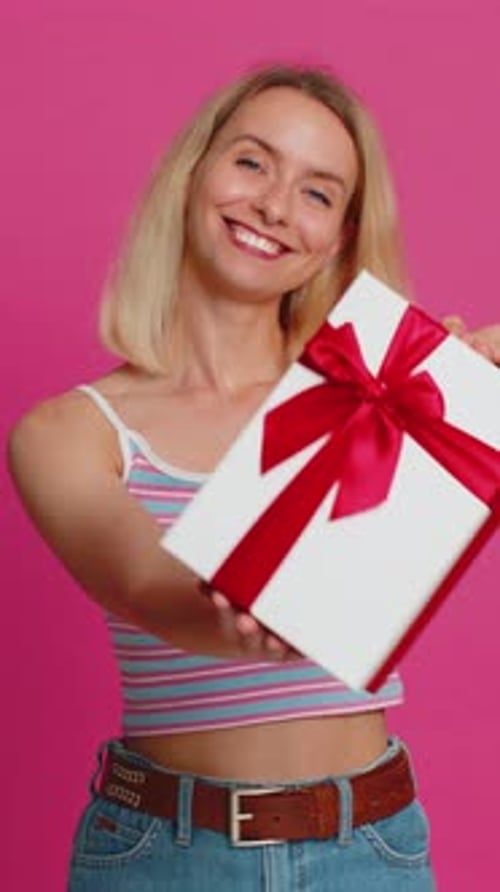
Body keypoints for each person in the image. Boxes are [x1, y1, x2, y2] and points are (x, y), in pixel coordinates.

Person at [7, 64, 500, 892]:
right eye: (252, 162)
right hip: (164, 857)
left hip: (371, 853)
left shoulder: (382, 396)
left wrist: (464, 415)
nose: (274, 205)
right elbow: (141, 580)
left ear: (339, 238)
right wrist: (244, 601)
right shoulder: (70, 431)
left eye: (317, 193)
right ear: (194, 172)